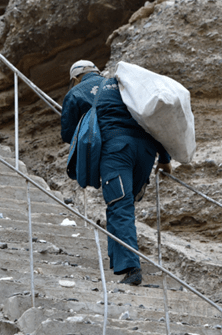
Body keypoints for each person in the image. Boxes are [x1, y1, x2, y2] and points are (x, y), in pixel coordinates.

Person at [61, 60, 172, 285]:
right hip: (146, 152)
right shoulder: (121, 85)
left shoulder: (76, 93)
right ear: (96, 72)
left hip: (117, 151)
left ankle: (131, 269)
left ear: (75, 78)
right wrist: (165, 158)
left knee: (119, 205)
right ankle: (118, 260)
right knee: (123, 205)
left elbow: (68, 133)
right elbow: (148, 118)